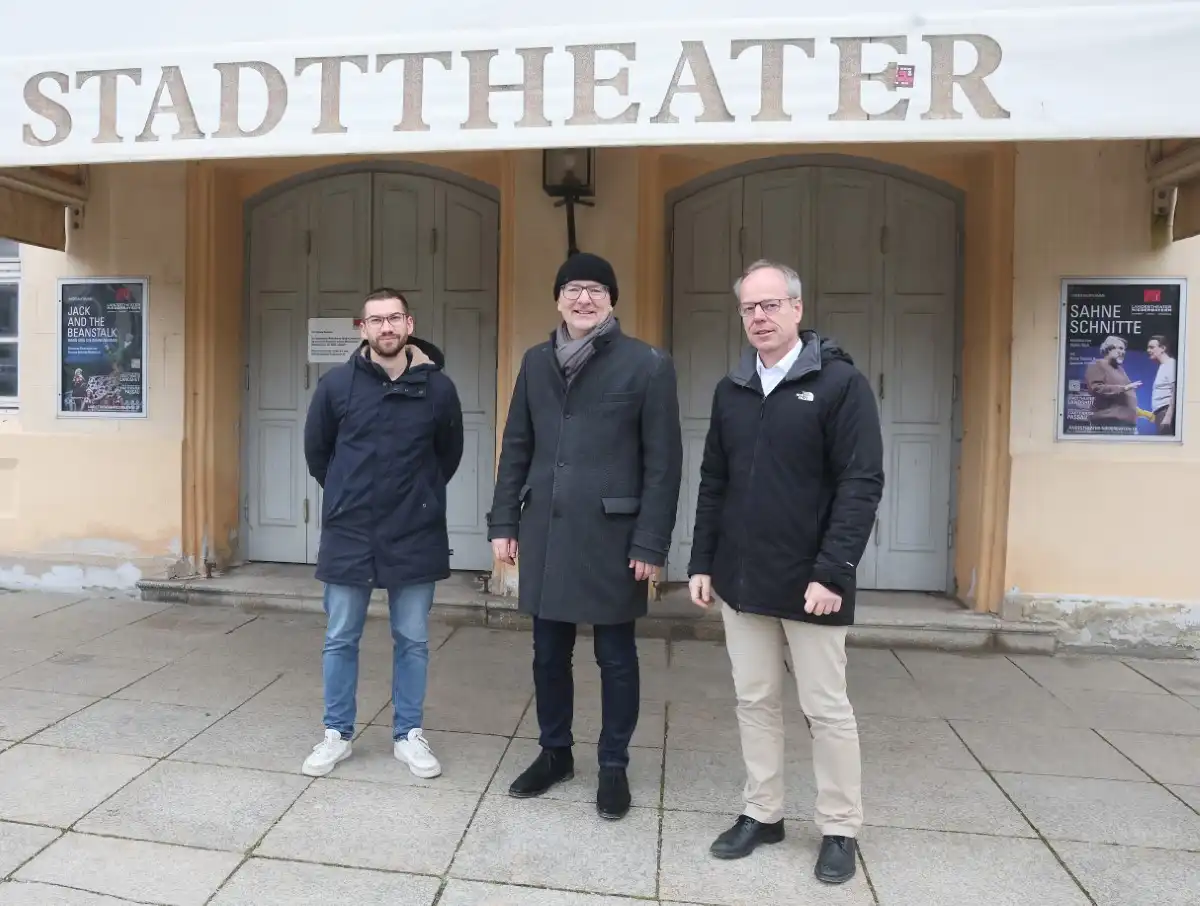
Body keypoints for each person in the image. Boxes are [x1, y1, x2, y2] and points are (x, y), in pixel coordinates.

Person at [687, 259, 884, 885]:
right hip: (741, 579)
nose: (760, 317)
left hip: (813, 581)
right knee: (754, 700)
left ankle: (839, 827)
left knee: (825, 707)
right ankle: (762, 813)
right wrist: (700, 561)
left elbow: (861, 483)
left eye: (772, 305)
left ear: (798, 309)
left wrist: (833, 572)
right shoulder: (732, 389)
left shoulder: (840, 385)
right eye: (749, 307)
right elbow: (713, 480)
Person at [487, 252, 683, 820]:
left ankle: (614, 765)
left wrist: (651, 543)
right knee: (548, 653)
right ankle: (555, 753)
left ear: (612, 300)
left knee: (615, 655)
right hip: (545, 529)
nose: (584, 299)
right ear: (558, 299)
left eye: (596, 289)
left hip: (614, 537)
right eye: (573, 288)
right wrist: (503, 523)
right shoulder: (535, 361)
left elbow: (663, 464)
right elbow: (516, 447)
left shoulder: (646, 364)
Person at [301, 287, 464, 779]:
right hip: (350, 531)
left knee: (412, 638)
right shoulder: (336, 386)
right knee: (339, 636)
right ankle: (337, 734)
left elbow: (448, 456)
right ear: (362, 328)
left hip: (415, 531)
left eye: (395, 318)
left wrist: (421, 497)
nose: (386, 328)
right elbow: (318, 453)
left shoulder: (439, 389)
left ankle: (408, 735)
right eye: (376, 320)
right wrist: (349, 495)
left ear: (409, 324)